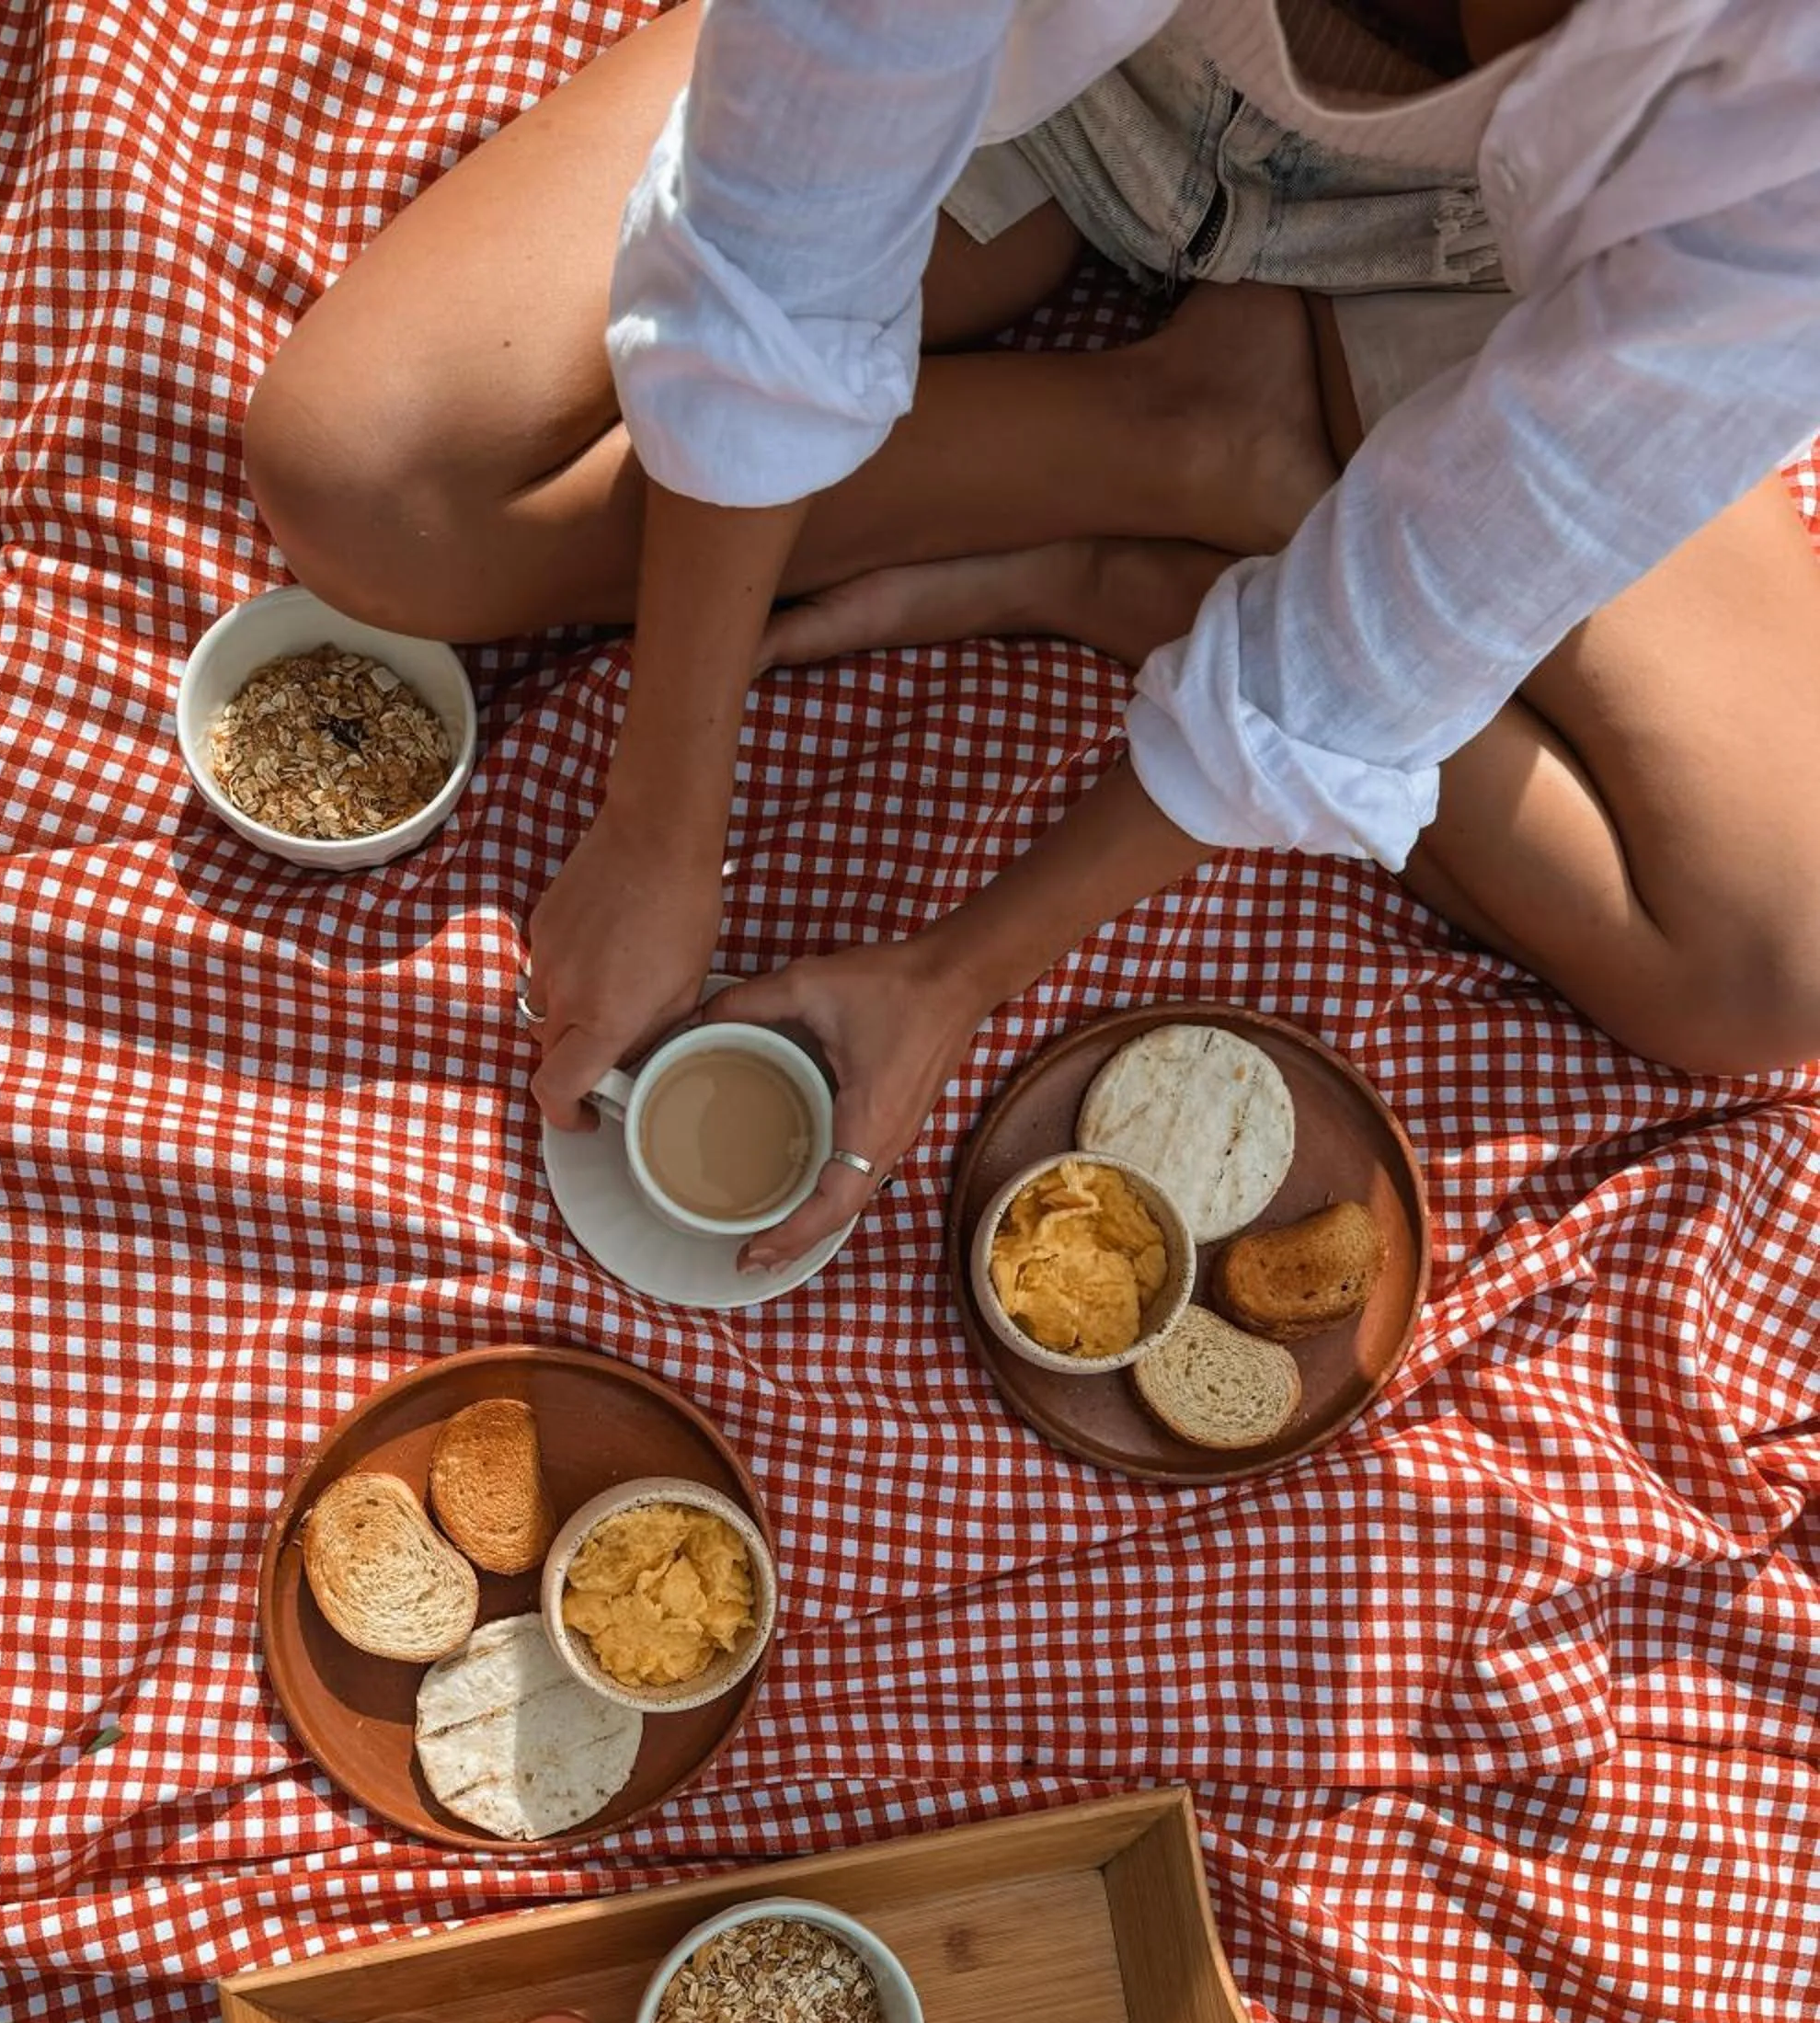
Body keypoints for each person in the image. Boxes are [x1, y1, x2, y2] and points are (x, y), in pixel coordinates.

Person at [244, 0, 1820, 1269]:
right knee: (376, 490)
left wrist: (953, 978)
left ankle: (1159, 535)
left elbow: (1471, 563)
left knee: (1771, 965)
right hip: (1054, 92)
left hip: (1478, 264)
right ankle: (1188, 444)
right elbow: (781, 251)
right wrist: (663, 814)